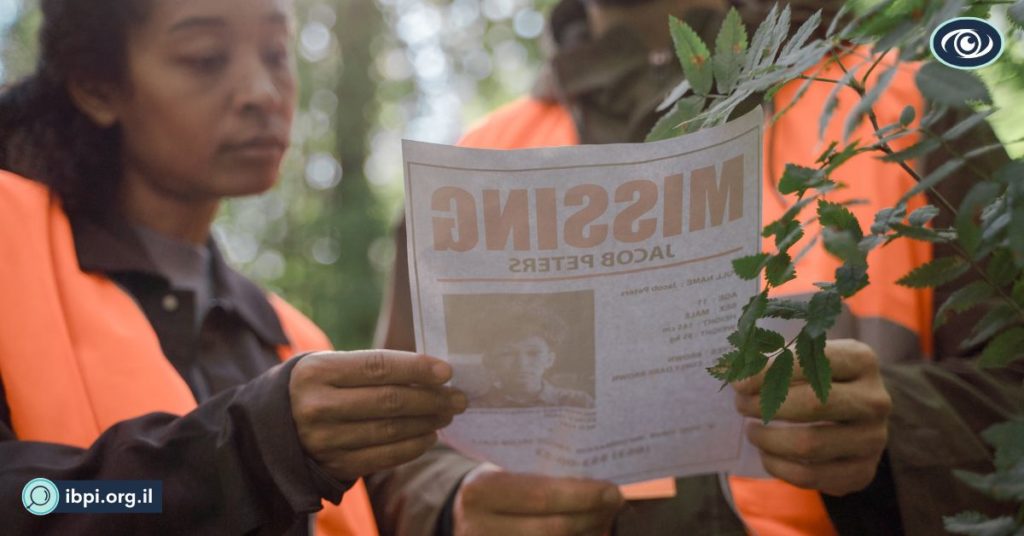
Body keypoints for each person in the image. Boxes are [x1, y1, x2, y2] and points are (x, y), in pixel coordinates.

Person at [373, 0, 1024, 534]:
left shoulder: (906, 110)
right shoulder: (470, 166)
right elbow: (394, 447)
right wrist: (455, 508)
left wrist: (897, 433)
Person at [0, 0, 470, 533]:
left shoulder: (292, 337)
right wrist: (244, 455)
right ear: (97, 87)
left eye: (275, 53)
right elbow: (32, 502)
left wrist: (456, 510)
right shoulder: (10, 250)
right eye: (205, 58)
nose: (263, 94)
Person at [472, 307, 594, 409]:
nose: (521, 364)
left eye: (533, 353)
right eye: (507, 353)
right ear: (489, 360)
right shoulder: (474, 407)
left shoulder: (579, 403)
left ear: (549, 360)